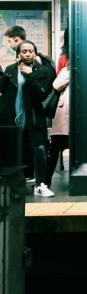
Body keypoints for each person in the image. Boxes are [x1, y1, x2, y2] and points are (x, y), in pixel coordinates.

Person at [0, 40, 55, 197]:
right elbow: (2, 89)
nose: (27, 53)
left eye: (31, 51)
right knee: (16, 154)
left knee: (39, 150)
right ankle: (17, 187)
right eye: (24, 51)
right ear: (19, 54)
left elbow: (42, 93)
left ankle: (40, 184)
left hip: (34, 119)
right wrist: (7, 75)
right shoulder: (10, 69)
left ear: (35, 53)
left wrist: (30, 75)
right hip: (12, 119)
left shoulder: (42, 71)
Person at [45, 30, 70, 190]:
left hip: (64, 108)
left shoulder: (63, 58)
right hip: (65, 108)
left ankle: (45, 182)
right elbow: (57, 83)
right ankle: (45, 181)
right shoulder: (64, 59)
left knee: (55, 148)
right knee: (55, 147)